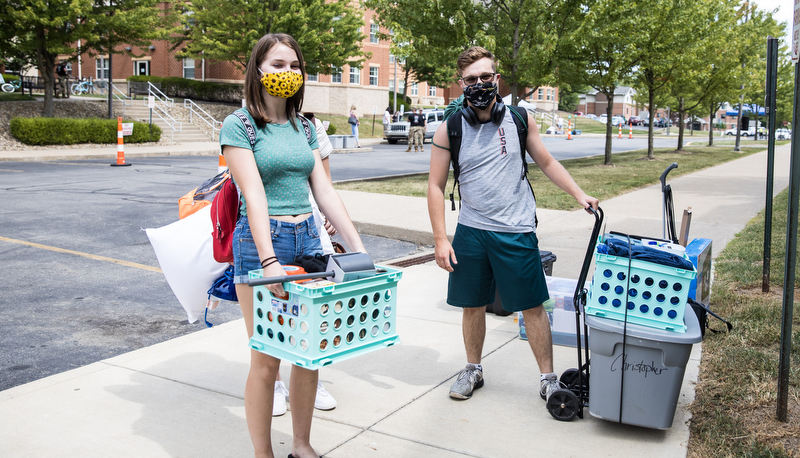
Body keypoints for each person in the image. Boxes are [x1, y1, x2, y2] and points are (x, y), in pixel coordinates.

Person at [219, 32, 367, 458]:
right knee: (267, 358)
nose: (288, 73)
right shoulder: (240, 125)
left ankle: (301, 446)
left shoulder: (306, 126)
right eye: (278, 64)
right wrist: (268, 261)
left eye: (294, 65)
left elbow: (325, 192)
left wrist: (356, 248)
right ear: (258, 70)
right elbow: (254, 195)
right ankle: (262, 453)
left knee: (309, 351)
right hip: (261, 242)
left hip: (306, 239)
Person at [427, 46, 599, 404]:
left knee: (533, 305)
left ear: (496, 78)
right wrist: (442, 238)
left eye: (485, 77)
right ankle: (473, 368)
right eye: (471, 79)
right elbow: (435, 186)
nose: (479, 84)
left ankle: (548, 379)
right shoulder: (450, 129)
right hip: (472, 232)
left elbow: (548, 161)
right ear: (462, 83)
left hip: (516, 230)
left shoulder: (520, 120)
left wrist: (579, 195)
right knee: (472, 305)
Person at [269, 112, 339, 419]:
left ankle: (313, 379)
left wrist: (330, 217)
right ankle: (274, 384)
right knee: (272, 312)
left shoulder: (312, 126)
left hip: (311, 228)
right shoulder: (248, 123)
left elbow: (324, 182)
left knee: (314, 313)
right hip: (270, 226)